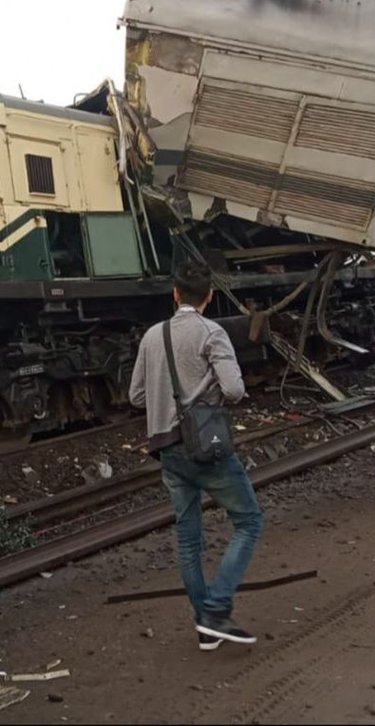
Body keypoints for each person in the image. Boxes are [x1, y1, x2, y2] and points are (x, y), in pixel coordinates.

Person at [129, 261, 263, 650]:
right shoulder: (212, 332)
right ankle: (216, 610)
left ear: (174, 294)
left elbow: (136, 396)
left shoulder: (153, 336)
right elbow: (235, 390)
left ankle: (205, 627)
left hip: (167, 449)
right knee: (250, 521)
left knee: (189, 541)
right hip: (205, 446)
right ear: (209, 296)